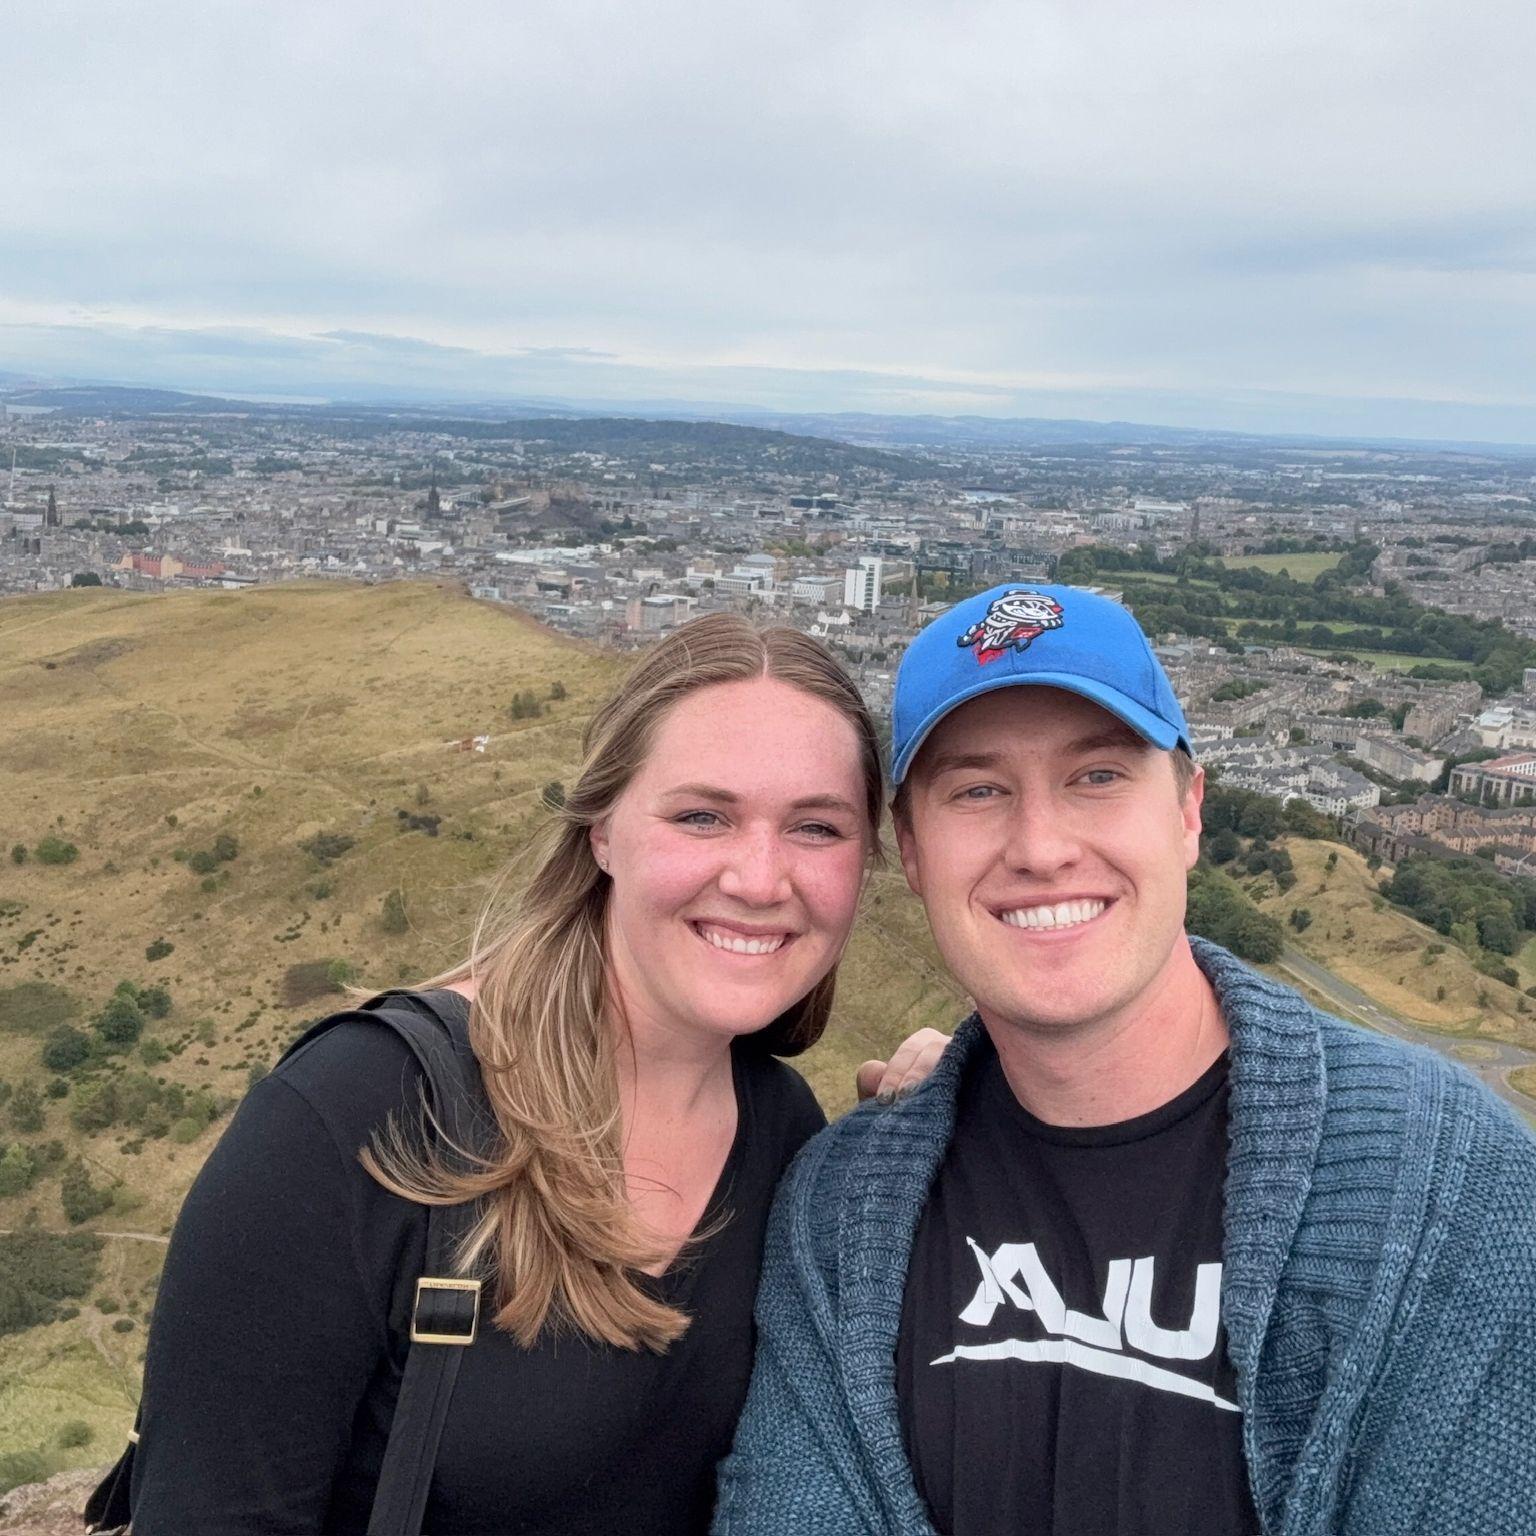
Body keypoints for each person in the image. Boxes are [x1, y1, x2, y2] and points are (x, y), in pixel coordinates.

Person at [714, 583, 1536, 1535]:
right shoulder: (836, 1212)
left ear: (1189, 812)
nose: (1041, 847)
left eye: (1097, 775)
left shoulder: (1457, 1189)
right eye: (978, 790)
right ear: (912, 850)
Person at [126, 613, 946, 1535]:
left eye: (816, 828)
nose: (761, 878)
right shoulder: (363, 1114)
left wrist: (939, 1128)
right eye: (701, 816)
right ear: (602, 830)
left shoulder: (786, 1133)